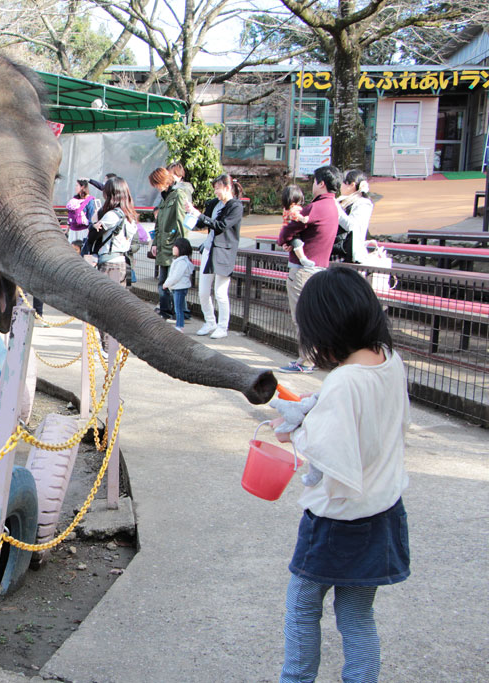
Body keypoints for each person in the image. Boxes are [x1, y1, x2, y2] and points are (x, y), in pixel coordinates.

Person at [270, 267, 410, 683]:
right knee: (356, 616)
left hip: (337, 521)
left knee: (302, 607)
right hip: (382, 511)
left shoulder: (345, 381)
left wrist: (298, 429)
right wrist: (317, 405)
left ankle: (295, 679)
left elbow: (328, 450)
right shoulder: (390, 360)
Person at [276, 165, 341, 374]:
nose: (312, 185)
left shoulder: (316, 207)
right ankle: (313, 359)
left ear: (321, 183)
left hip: (302, 271)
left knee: (301, 317)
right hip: (320, 268)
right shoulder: (334, 207)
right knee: (314, 316)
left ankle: (306, 361)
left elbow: (286, 231)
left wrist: (284, 241)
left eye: (314, 181)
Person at [190, 173, 243, 339]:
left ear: (227, 188)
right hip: (208, 249)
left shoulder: (235, 206)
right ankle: (210, 321)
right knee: (203, 291)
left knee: (220, 292)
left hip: (224, 252)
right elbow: (202, 222)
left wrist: (199, 215)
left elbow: (221, 226)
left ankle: (222, 326)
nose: (216, 192)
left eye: (218, 189)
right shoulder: (214, 204)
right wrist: (193, 215)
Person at [148, 167, 189, 321]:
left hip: (173, 246)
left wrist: (180, 246)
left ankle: (178, 312)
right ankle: (165, 310)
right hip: (163, 245)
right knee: (163, 281)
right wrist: (155, 243)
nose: (156, 187)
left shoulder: (177, 195)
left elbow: (181, 222)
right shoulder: (164, 198)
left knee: (174, 282)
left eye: (156, 183)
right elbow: (158, 223)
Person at [90, 177, 138, 285]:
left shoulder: (112, 216)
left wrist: (94, 222)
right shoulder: (130, 215)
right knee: (115, 299)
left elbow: (92, 237)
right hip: (122, 263)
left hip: (110, 265)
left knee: (104, 299)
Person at [334, 170, 374, 264]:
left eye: (343, 183)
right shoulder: (341, 201)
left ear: (352, 185)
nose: (341, 186)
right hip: (336, 250)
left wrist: (336, 207)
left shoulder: (363, 203)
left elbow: (352, 226)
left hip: (349, 254)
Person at [161, 237, 193, 332]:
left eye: (175, 246)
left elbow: (175, 276)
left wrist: (166, 284)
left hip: (179, 288)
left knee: (178, 308)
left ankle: (179, 326)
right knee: (178, 307)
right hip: (178, 287)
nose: (173, 248)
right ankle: (179, 325)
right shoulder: (181, 261)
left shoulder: (181, 262)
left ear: (181, 248)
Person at [281, 185, 315, 268]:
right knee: (298, 244)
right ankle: (302, 258)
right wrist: (303, 218)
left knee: (296, 244)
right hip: (293, 233)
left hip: (287, 232)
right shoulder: (294, 207)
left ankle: (302, 258)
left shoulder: (286, 208)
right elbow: (295, 214)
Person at [66, 179, 98, 252]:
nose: (75, 187)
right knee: (71, 251)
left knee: (82, 250)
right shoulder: (74, 199)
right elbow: (70, 215)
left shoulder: (90, 201)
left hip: (83, 231)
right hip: (72, 231)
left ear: (82, 187)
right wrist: (67, 229)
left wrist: (89, 231)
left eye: (77, 185)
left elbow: (91, 217)